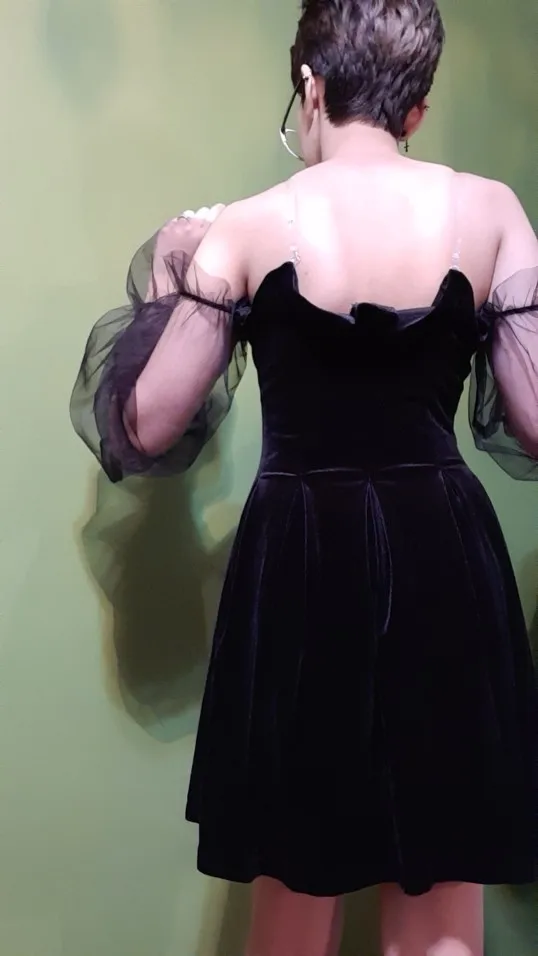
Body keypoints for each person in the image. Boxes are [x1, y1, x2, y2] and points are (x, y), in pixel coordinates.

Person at [70, 1, 538, 954]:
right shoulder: (492, 211)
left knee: (292, 900)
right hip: (444, 554)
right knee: (442, 887)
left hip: (300, 561)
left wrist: (171, 276)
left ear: (311, 88)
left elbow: (148, 423)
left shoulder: (245, 227)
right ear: (416, 107)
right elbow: (535, 420)